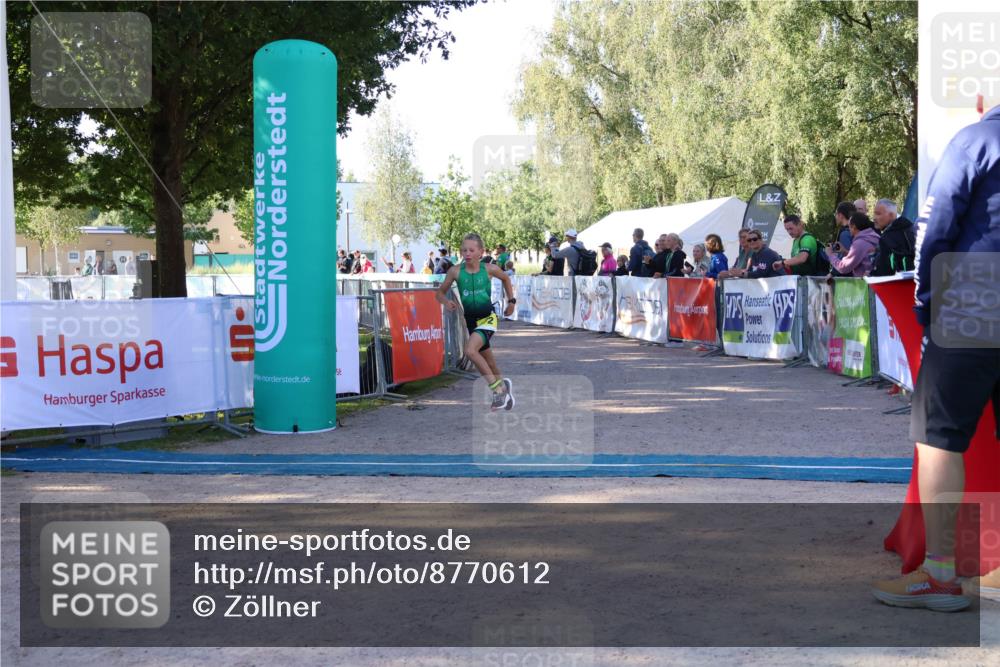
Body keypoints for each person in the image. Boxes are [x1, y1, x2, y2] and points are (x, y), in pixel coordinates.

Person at [872, 94, 1000, 611]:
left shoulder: (975, 140)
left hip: (974, 301)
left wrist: (926, 305)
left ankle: (942, 576)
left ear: (982, 100)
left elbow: (934, 230)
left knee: (938, 438)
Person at [436, 232, 516, 412]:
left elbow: (505, 278)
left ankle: (498, 391)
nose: (467, 253)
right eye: (464, 250)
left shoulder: (489, 269)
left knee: (471, 351)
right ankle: (504, 387)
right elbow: (439, 292)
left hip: (488, 318)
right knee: (489, 362)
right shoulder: (455, 271)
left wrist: (511, 301)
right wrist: (446, 301)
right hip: (471, 323)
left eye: (471, 250)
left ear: (481, 252)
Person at [870, 198, 916, 276]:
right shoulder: (912, 228)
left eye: (878, 214)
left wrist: (872, 273)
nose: (874, 218)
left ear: (891, 215)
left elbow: (883, 271)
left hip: (896, 284)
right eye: (874, 214)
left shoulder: (887, 238)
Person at [825, 213, 879, 277]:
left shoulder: (859, 243)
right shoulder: (875, 237)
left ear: (854, 226)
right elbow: (863, 258)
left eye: (849, 226)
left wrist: (830, 255)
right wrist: (845, 251)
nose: (848, 229)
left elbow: (843, 267)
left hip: (865, 284)